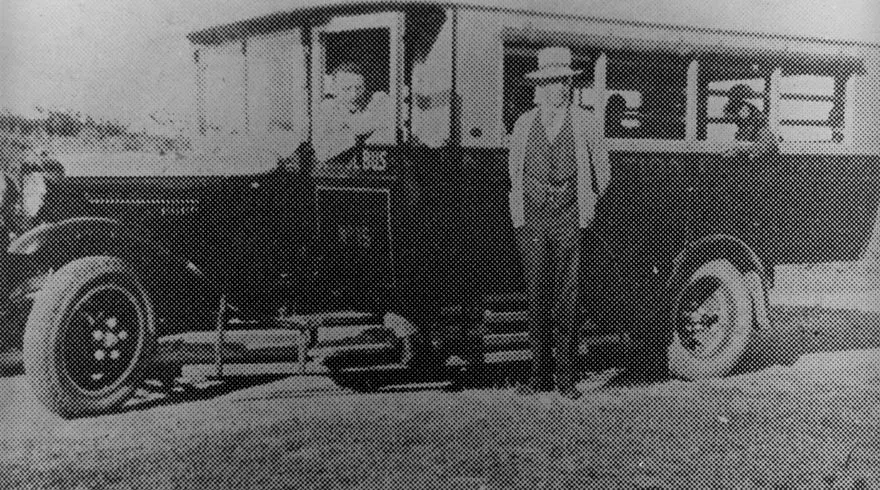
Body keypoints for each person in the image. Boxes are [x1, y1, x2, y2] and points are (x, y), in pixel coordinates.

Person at [508, 46, 611, 399]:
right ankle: (539, 378)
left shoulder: (586, 121)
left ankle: (566, 381)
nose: (559, 89)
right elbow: (515, 172)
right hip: (533, 222)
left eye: (564, 82)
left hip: (570, 219)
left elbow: (603, 172)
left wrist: (587, 203)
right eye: (552, 82)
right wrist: (523, 212)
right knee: (536, 297)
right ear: (540, 87)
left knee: (567, 297)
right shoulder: (524, 123)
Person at [314, 62, 391, 165]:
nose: (354, 94)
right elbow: (323, 153)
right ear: (334, 89)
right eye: (347, 89)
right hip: (341, 174)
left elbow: (390, 137)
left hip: (377, 172)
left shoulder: (378, 99)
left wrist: (346, 130)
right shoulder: (327, 108)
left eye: (359, 88)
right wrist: (362, 130)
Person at [722, 84, 778, 160]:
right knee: (731, 153)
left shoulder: (746, 108)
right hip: (756, 137)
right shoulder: (737, 108)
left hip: (761, 137)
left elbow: (750, 127)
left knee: (751, 155)